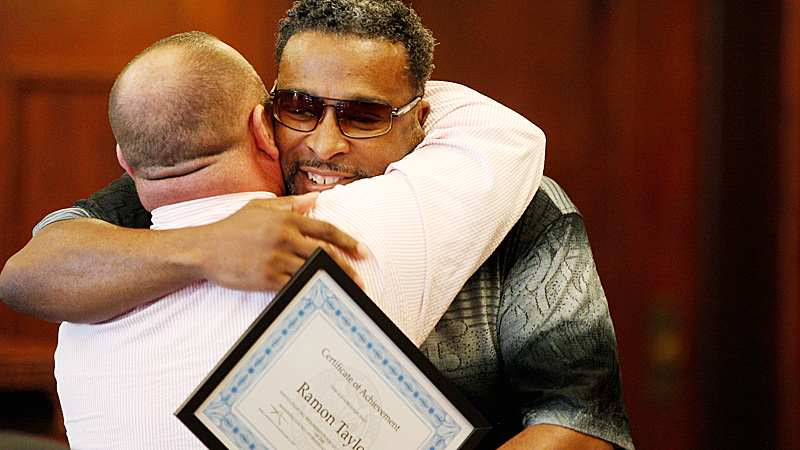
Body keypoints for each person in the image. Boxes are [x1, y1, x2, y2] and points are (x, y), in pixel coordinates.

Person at [0, 1, 632, 449]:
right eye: (299, 107)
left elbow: (577, 423)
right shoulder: (198, 177)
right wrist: (207, 248)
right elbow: (31, 272)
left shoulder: (527, 206)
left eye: (363, 115)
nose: (324, 145)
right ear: (263, 116)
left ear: (424, 119)